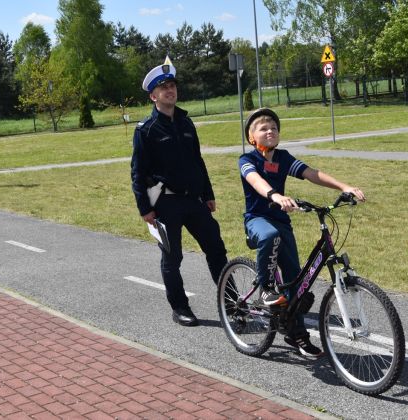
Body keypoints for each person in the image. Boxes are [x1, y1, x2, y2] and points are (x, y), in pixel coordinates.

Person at [238, 108, 366, 357]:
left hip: (282, 223)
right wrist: (274, 195)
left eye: (274, 127)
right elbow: (255, 180)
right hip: (258, 220)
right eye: (263, 128)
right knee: (268, 236)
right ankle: (265, 288)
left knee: (297, 284)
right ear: (251, 137)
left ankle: (296, 334)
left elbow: (311, 174)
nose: (270, 130)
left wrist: (344, 186)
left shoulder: (283, 158)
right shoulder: (247, 160)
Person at [131, 56, 228, 327]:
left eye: (172, 85)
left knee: (216, 250)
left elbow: (198, 161)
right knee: (173, 258)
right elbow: (137, 172)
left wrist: (208, 194)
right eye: (163, 88)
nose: (170, 90)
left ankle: (230, 302)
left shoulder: (186, 123)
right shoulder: (146, 130)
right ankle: (180, 307)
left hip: (194, 200)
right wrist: (145, 208)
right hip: (166, 204)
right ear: (153, 96)